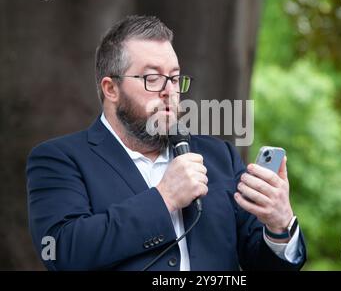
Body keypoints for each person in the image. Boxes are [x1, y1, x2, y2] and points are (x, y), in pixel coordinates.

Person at [26, 15, 306, 271]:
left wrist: (279, 227)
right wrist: (165, 198)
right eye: (152, 78)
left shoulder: (219, 157)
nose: (169, 91)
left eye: (174, 78)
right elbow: (62, 252)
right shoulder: (59, 159)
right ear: (111, 88)